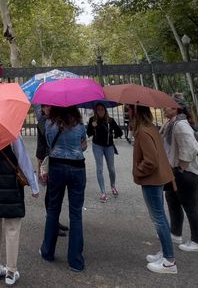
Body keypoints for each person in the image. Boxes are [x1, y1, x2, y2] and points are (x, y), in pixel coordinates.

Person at [0, 138, 40, 286]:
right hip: (10, 186)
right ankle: (11, 272)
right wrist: (33, 186)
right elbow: (23, 159)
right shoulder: (11, 132)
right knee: (12, 228)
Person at [129, 104, 177, 274]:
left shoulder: (143, 132)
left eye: (129, 110)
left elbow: (150, 161)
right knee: (160, 216)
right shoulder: (151, 128)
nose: (128, 113)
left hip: (151, 179)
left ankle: (169, 261)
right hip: (158, 178)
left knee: (158, 218)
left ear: (136, 112)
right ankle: (165, 252)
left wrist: (138, 169)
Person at [39, 106, 87, 273]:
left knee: (53, 210)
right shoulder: (79, 124)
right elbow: (83, 146)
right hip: (77, 167)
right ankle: (75, 261)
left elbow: (49, 144)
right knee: (76, 214)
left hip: (57, 166)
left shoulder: (49, 124)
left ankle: (48, 251)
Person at [161, 101, 198, 254]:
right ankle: (175, 233)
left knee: (190, 206)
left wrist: (182, 167)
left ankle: (197, 241)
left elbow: (191, 147)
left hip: (187, 173)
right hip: (176, 170)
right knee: (173, 201)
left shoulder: (180, 125)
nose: (164, 109)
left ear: (175, 108)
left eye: (166, 106)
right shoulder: (171, 123)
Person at [35, 104, 69, 237]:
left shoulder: (54, 120)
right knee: (51, 195)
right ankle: (52, 223)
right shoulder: (44, 122)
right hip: (47, 160)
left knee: (56, 193)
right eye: (46, 107)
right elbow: (42, 145)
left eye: (50, 106)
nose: (48, 108)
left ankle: (55, 220)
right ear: (42, 109)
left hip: (54, 160)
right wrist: (39, 168)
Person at [86, 103, 122, 202]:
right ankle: (103, 192)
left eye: (102, 109)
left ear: (105, 110)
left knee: (111, 169)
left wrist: (113, 135)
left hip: (109, 146)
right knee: (99, 169)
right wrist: (93, 127)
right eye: (98, 109)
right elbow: (88, 133)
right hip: (97, 146)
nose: (101, 111)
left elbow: (120, 132)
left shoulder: (110, 120)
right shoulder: (92, 120)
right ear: (96, 111)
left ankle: (113, 185)